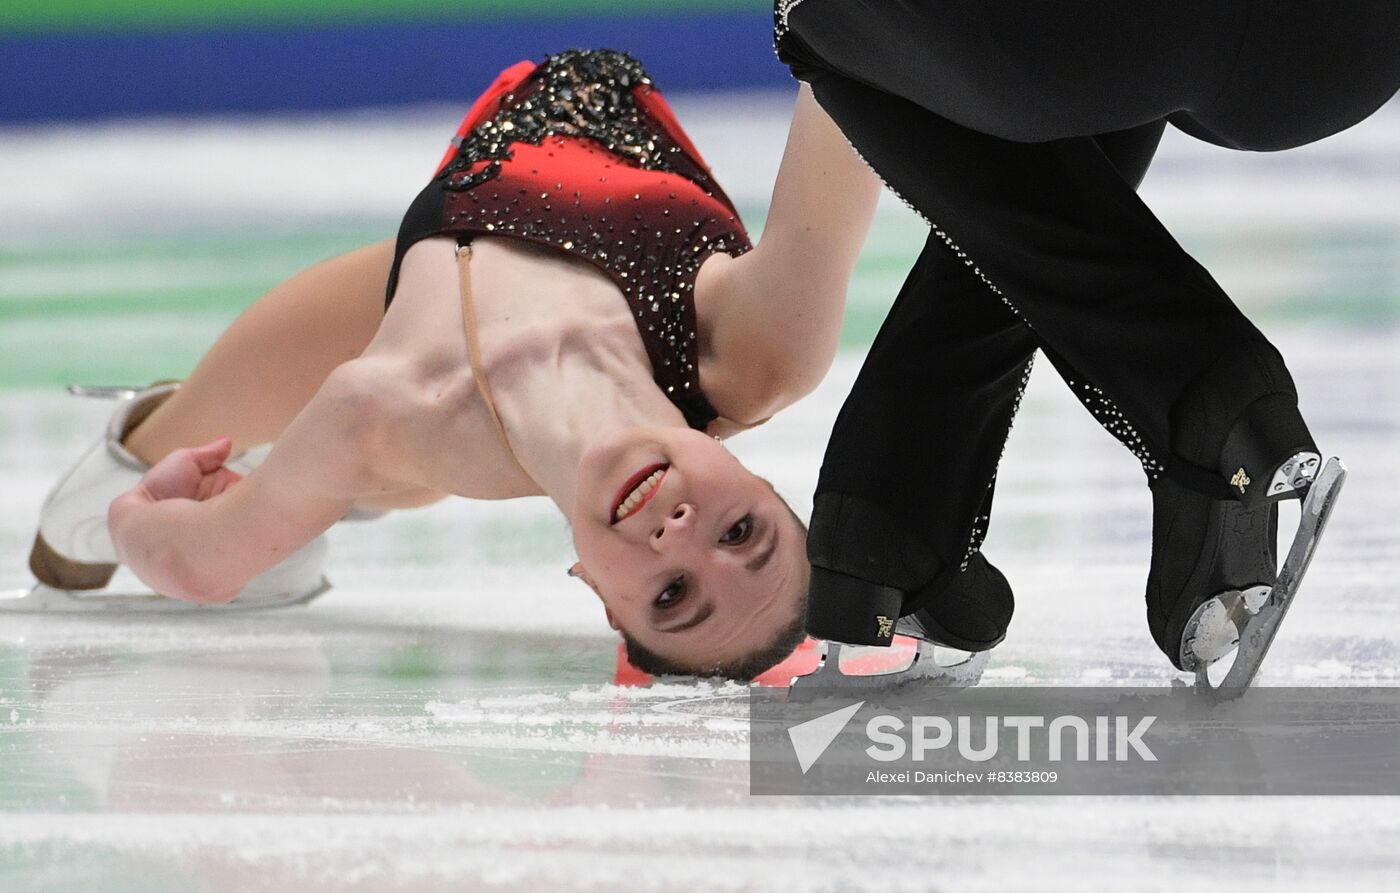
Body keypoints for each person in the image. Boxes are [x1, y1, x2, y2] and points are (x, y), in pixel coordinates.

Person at [27, 49, 882, 680]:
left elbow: (198, 562)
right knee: (377, 473)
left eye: (668, 597)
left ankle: (315, 492)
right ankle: (333, 499)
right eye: (742, 533)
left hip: (429, 279)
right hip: (583, 136)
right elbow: (863, 59)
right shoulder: (758, 347)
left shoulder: (385, 407)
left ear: (596, 592)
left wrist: (147, 500)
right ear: (759, 476)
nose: (678, 537)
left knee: (91, 504)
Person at [777, 1, 1397, 682]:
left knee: (811, 15)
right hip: (1347, 53)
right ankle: (894, 508)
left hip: (1109, 39)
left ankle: (1199, 389)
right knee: (1085, 88)